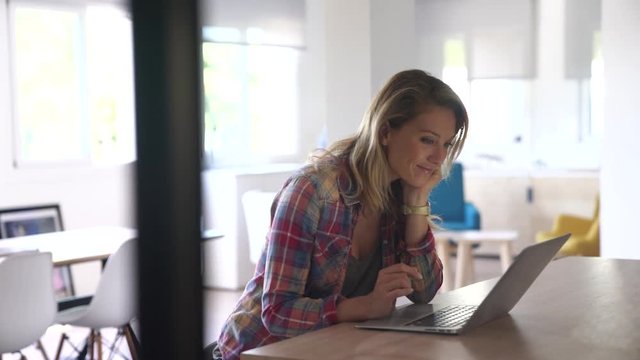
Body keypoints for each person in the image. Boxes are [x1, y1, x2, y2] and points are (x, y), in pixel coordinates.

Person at [208, 69, 469, 360]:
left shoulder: (401, 194)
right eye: (427, 140)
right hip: (259, 351)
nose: (439, 158)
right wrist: (363, 306)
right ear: (385, 132)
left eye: (446, 144)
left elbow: (425, 292)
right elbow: (277, 312)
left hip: (330, 348)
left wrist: (418, 199)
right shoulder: (312, 191)